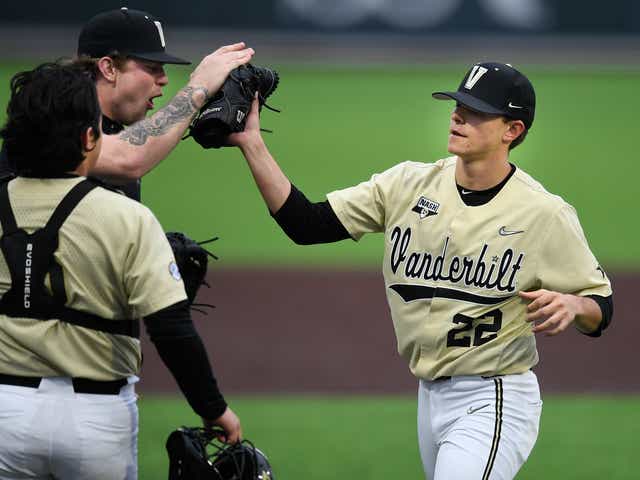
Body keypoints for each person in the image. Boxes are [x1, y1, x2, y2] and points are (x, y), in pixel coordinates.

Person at [229, 63, 614, 479]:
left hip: (495, 397)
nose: (458, 116)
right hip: (428, 397)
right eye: (458, 104)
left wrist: (575, 304)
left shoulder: (544, 213)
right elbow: (306, 225)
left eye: (477, 111)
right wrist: (252, 144)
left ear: (512, 130)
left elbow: (601, 307)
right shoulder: (407, 185)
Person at [0, 63, 239, 479]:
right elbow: (172, 330)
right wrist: (214, 408)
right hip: (96, 419)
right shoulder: (126, 217)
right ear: (90, 138)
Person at [0, 7, 255, 200]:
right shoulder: (50, 112)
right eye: (152, 68)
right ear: (108, 68)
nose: (164, 80)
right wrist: (198, 89)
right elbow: (129, 158)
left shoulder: (113, 128)